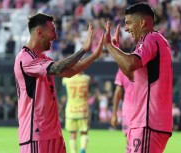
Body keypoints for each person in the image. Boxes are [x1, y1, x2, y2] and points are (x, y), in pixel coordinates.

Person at [14, 13, 104, 153]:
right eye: (52, 31)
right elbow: (58, 68)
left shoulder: (42, 57)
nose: (55, 36)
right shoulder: (24, 58)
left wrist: (93, 56)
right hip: (36, 135)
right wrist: (83, 50)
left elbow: (69, 71)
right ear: (39, 32)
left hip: (54, 133)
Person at [104, 3, 173, 153]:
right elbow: (132, 75)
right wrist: (116, 51)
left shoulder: (150, 39)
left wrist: (108, 46)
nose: (126, 28)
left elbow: (130, 65)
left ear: (142, 22)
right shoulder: (158, 41)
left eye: (128, 23)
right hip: (147, 123)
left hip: (148, 122)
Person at [110, 25, 134, 137]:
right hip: (143, 110)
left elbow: (118, 93)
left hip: (129, 109)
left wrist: (114, 114)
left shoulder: (122, 70)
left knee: (130, 141)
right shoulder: (146, 70)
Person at [62, 71, 90, 153]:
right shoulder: (86, 78)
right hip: (83, 110)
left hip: (71, 111)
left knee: (73, 135)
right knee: (84, 132)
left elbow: (64, 78)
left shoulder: (67, 80)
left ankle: (73, 152)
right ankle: (82, 150)